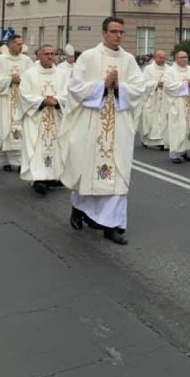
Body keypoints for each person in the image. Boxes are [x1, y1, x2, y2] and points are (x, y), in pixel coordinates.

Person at [60, 16, 146, 245]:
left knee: (118, 173)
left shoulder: (128, 60)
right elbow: (75, 88)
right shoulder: (88, 57)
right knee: (87, 170)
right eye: (114, 31)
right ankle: (79, 209)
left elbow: (140, 88)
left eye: (122, 32)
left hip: (118, 126)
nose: (119, 36)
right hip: (92, 124)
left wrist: (119, 87)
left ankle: (112, 225)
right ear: (104, 33)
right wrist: (102, 85)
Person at [20, 45, 69, 195]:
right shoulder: (29, 74)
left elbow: (68, 93)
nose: (50, 56)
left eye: (52, 54)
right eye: (46, 54)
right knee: (37, 147)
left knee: (56, 147)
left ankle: (54, 177)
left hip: (56, 117)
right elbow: (24, 95)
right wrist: (42, 101)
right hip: (37, 118)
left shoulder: (61, 74)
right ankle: (39, 178)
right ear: (39, 56)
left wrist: (57, 100)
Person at [0, 35, 34, 172]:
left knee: (22, 130)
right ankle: (4, 160)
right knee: (4, 129)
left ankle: (21, 161)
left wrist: (23, 81)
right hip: (5, 99)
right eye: (18, 44)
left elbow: (32, 78)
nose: (21, 47)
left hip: (21, 99)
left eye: (21, 44)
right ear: (9, 45)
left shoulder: (27, 60)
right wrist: (9, 79)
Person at [163, 51, 190, 164]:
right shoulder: (170, 71)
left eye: (186, 57)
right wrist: (185, 84)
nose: (185, 59)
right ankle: (174, 153)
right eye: (182, 57)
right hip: (177, 104)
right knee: (178, 128)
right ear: (176, 59)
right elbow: (168, 86)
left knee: (188, 128)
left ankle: (184, 151)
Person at [139, 49, 169, 150]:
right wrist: (156, 84)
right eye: (160, 57)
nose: (163, 59)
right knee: (150, 120)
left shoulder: (169, 69)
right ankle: (147, 140)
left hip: (164, 99)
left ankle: (162, 141)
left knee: (163, 120)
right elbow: (143, 84)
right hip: (152, 98)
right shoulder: (148, 69)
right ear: (155, 57)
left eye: (164, 57)